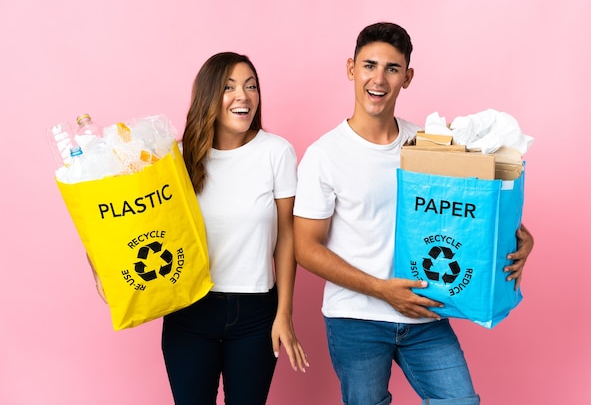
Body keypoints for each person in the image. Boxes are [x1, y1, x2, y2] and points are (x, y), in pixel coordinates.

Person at [293, 22, 534, 405]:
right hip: (357, 318)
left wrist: (522, 238)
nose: (379, 79)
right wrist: (382, 290)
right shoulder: (324, 155)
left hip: (425, 315)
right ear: (351, 68)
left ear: (407, 77)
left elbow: (471, 213)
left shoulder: (425, 146)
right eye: (369, 65)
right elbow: (305, 248)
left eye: (392, 68)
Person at [161, 52, 308, 405]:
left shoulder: (277, 152)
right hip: (190, 310)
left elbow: (286, 237)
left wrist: (284, 314)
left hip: (257, 314)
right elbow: (146, 228)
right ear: (209, 95)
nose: (243, 96)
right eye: (229, 87)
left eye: (251, 86)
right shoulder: (177, 158)